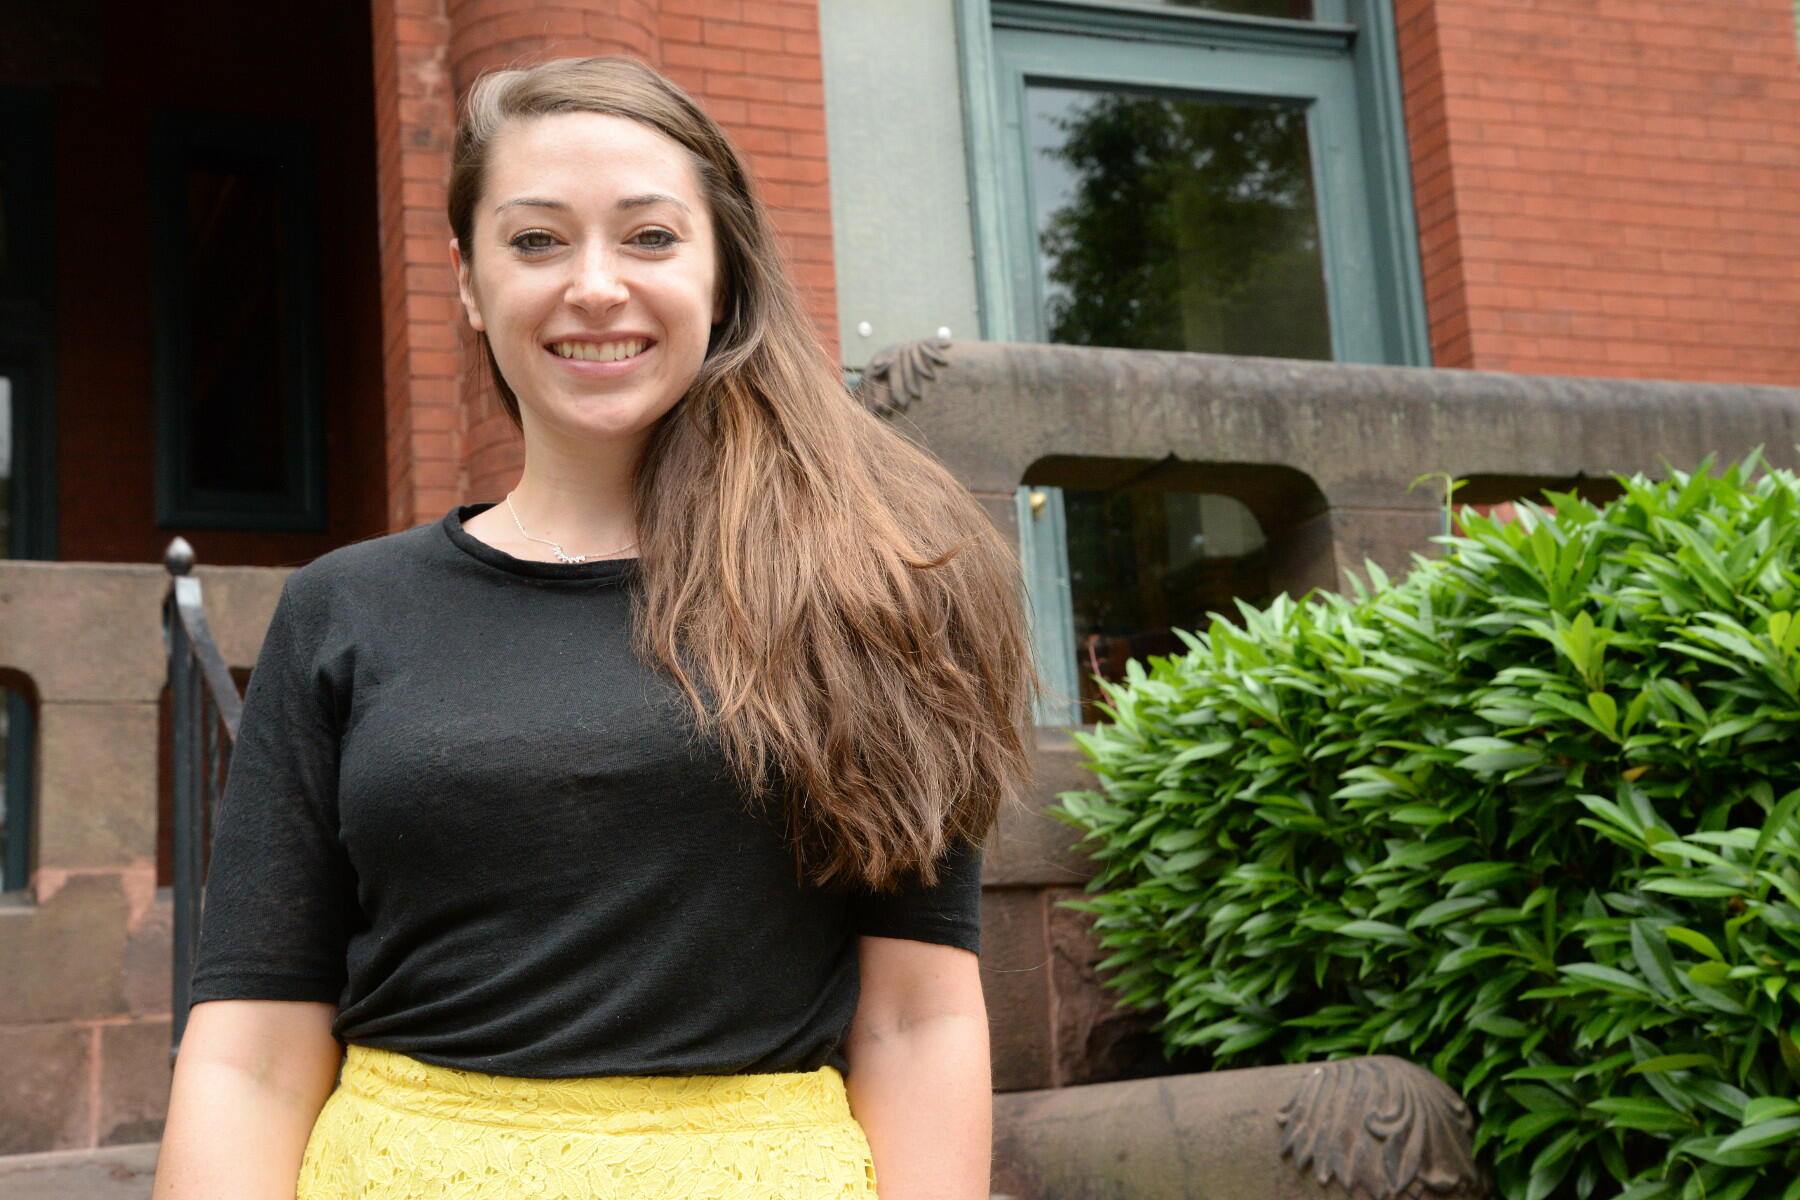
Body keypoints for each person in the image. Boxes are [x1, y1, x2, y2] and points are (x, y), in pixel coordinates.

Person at [151, 54, 1038, 1200]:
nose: (597, 286)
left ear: (724, 271)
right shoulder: (342, 608)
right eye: (537, 241)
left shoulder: (876, 588)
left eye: (651, 237)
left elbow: (918, 1019)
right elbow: (252, 1056)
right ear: (469, 283)